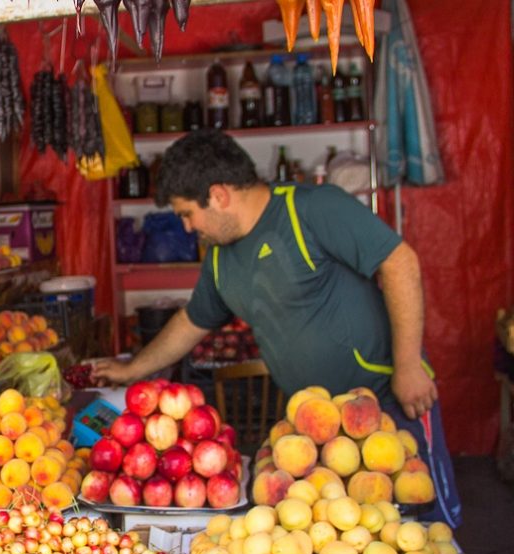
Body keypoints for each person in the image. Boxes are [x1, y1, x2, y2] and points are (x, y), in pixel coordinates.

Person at [94, 129, 461, 526]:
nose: (186, 228)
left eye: (187, 213)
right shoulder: (220, 260)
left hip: (387, 403)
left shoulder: (312, 209)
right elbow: (191, 321)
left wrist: (407, 366)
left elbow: (400, 263)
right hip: (313, 428)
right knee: (349, 547)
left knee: (424, 529)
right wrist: (132, 369)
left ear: (218, 195)